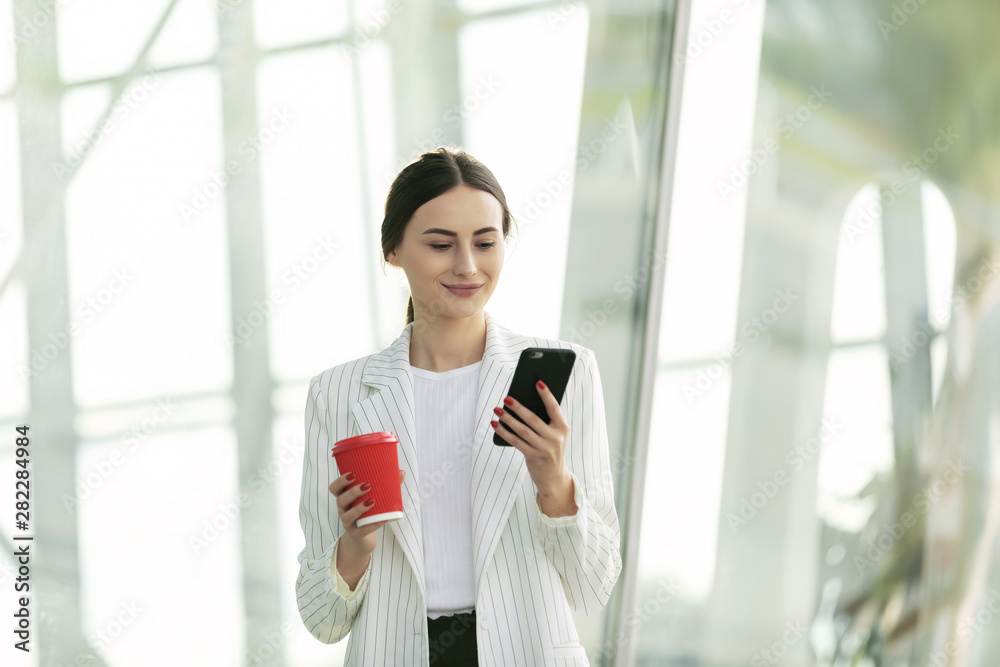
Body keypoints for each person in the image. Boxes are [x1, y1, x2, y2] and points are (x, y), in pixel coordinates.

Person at [295, 146, 622, 666]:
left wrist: (554, 485)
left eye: (485, 243)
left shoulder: (566, 377)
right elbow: (321, 619)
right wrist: (355, 546)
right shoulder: (339, 395)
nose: (467, 266)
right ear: (394, 249)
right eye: (441, 244)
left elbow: (594, 586)